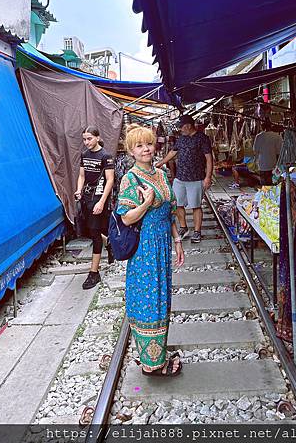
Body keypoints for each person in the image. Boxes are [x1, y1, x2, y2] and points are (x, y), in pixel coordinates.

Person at [117, 124, 184, 376]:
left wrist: (177, 241)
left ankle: (156, 353)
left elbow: (170, 211)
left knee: (162, 298)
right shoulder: (130, 179)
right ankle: (152, 364)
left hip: (162, 245)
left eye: (148, 143)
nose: (146, 149)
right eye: (139, 146)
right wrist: (145, 202)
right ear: (131, 151)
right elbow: (126, 219)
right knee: (148, 301)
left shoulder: (161, 173)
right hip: (144, 248)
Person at [156, 115, 213, 243]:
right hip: (180, 178)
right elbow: (173, 152)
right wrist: (160, 163)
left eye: (181, 127)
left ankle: (197, 232)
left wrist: (208, 177)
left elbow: (209, 158)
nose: (180, 130)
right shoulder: (181, 138)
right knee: (177, 204)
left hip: (196, 178)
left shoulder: (202, 138)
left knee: (196, 206)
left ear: (188, 126)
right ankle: (183, 227)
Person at [75, 126, 114, 289]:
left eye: (89, 138)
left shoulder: (106, 156)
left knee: (95, 235)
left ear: (97, 138)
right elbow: (82, 175)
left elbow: (110, 180)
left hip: (99, 198)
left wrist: (102, 202)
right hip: (86, 198)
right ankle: (110, 243)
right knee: (90, 230)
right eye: (84, 139)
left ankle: (94, 272)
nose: (86, 142)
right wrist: (79, 189)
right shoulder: (84, 155)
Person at [253, 119, 282, 186]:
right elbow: (279, 152)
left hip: (262, 164)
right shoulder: (277, 136)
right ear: (271, 126)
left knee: (264, 184)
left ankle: (264, 195)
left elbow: (255, 150)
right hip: (273, 164)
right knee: (273, 183)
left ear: (262, 127)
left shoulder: (259, 136)